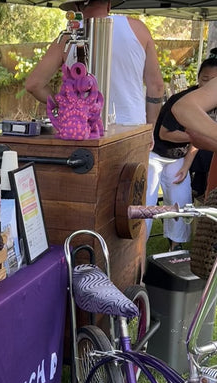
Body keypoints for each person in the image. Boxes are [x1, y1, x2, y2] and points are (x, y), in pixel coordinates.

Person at [25, 0, 164, 126]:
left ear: (76, 6)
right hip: (133, 127)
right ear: (109, 5)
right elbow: (156, 86)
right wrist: (151, 127)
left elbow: (34, 85)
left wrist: (64, 103)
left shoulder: (67, 37)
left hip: (84, 128)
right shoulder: (138, 29)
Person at [145, 54, 217, 251]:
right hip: (155, 154)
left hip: (178, 158)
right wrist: (197, 137)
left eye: (213, 81)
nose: (208, 85)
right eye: (205, 79)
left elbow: (196, 141)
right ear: (198, 78)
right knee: (148, 204)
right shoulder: (184, 100)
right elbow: (165, 134)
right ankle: (138, 252)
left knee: (182, 202)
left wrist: (186, 165)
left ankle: (176, 249)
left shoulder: (212, 106)